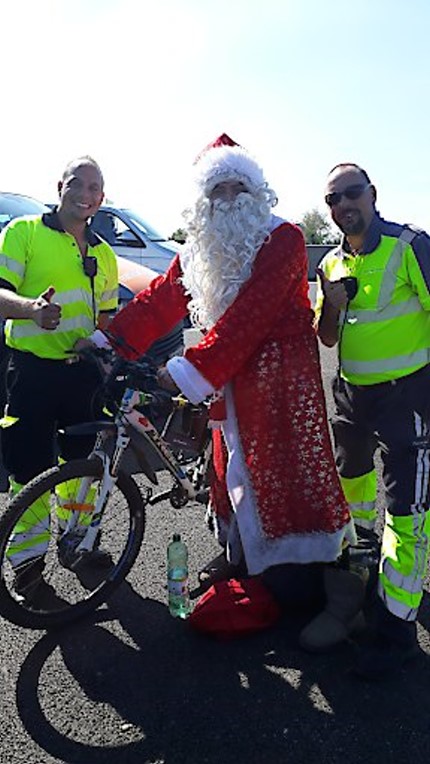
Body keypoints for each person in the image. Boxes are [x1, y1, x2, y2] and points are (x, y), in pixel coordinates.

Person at [81, 134, 363, 645]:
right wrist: (109, 341)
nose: (229, 199)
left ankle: (336, 593)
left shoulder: (285, 238)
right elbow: (163, 298)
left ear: (258, 193)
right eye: (217, 190)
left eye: (239, 187)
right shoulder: (200, 247)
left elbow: (250, 318)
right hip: (229, 376)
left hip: (282, 377)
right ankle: (248, 561)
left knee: (291, 473)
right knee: (231, 467)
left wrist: (186, 370)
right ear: (202, 200)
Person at [315, 161, 430, 678]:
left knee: (406, 512)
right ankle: (358, 583)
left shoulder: (410, 246)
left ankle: (396, 631)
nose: (343, 207)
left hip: (408, 398)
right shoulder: (332, 266)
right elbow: (328, 338)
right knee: (355, 493)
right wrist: (331, 307)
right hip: (351, 399)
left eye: (351, 194)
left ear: (372, 194)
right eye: (333, 201)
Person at [0, 156, 118, 603]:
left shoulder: (104, 253)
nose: (86, 194)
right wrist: (30, 309)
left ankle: (76, 546)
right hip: (32, 373)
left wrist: (105, 353)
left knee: (80, 472)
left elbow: (107, 317)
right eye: (78, 184)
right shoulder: (24, 232)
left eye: (95, 188)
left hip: (83, 378)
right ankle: (27, 569)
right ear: (60, 186)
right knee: (28, 474)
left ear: (102, 198)